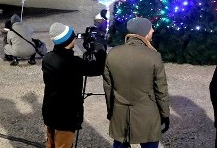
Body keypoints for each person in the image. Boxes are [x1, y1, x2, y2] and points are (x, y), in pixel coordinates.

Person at [103, 17, 170, 148]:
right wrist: (165, 114)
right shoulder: (154, 56)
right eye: (151, 29)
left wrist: (111, 111)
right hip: (147, 114)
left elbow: (108, 88)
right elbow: (161, 90)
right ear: (143, 32)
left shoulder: (113, 54)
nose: (153, 30)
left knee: (119, 143)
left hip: (120, 112)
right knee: (149, 143)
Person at [41, 22, 106, 148]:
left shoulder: (47, 58)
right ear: (69, 40)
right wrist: (100, 51)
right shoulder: (74, 63)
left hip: (50, 111)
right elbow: (97, 69)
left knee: (51, 143)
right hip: (66, 116)